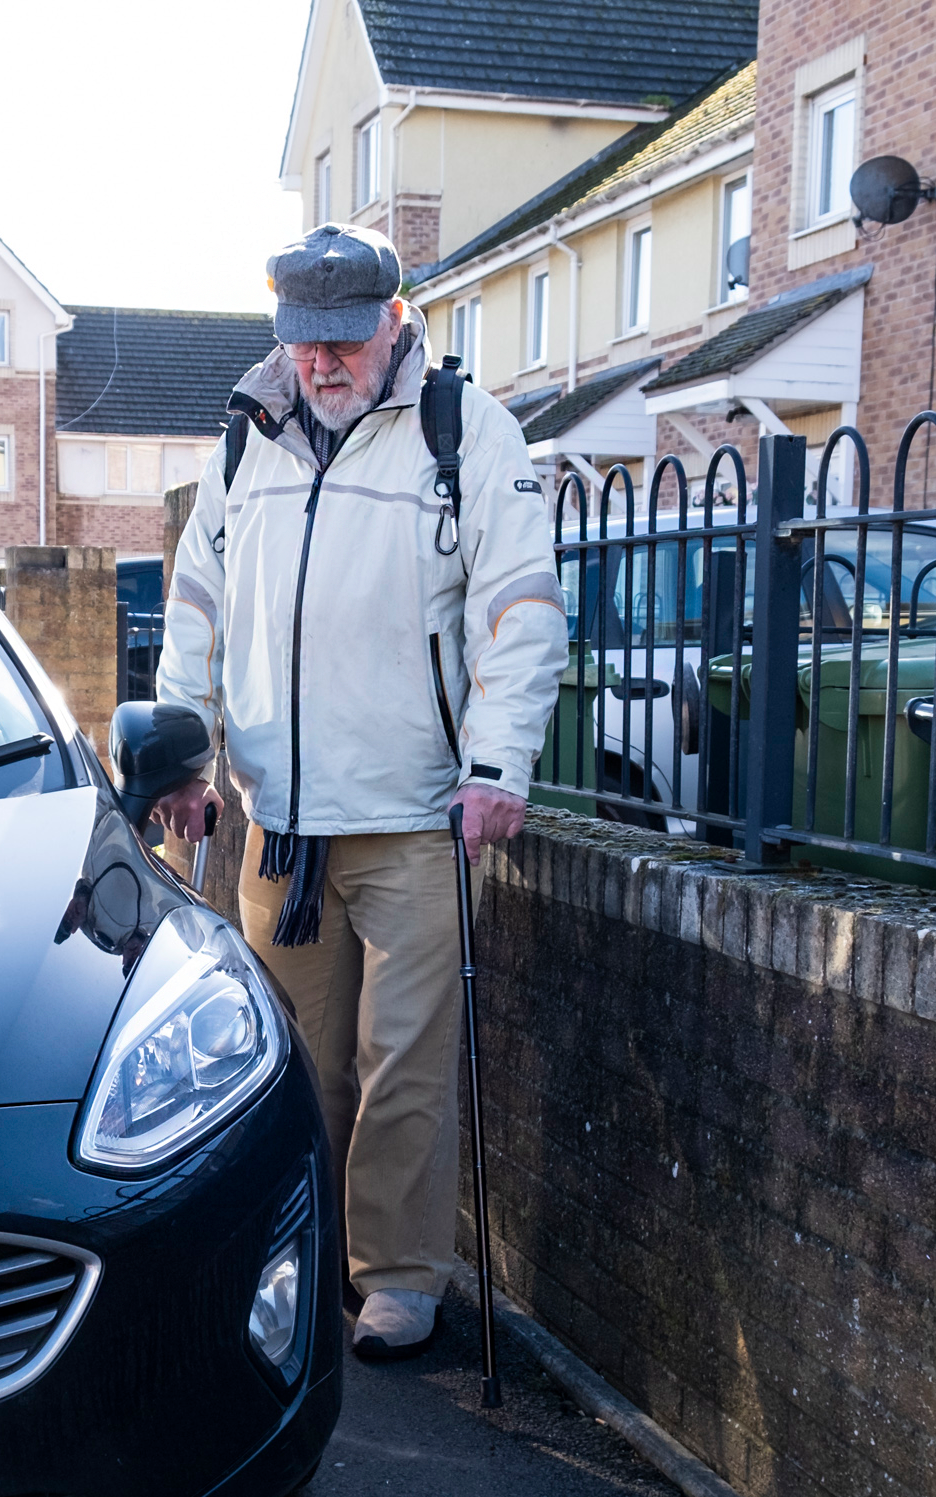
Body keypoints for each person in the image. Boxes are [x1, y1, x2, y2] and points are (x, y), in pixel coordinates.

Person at [155, 224, 563, 1361]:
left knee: (405, 1069)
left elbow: (522, 608)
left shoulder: (462, 430)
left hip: (413, 822)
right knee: (291, 1067)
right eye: (304, 341)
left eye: (344, 339)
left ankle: (396, 1277)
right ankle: (306, 1262)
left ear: (394, 321)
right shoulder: (245, 439)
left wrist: (498, 766)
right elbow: (196, 607)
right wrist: (187, 755)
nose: (324, 363)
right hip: (281, 827)